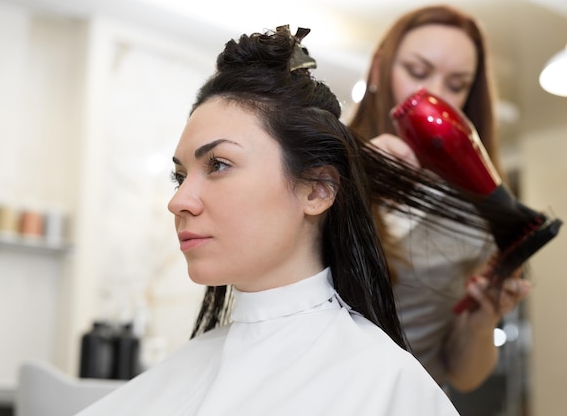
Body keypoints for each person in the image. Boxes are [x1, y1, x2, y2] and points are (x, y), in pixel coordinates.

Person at [74, 25, 473, 415]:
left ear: (317, 190)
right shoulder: (189, 365)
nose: (179, 201)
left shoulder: (386, 383)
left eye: (218, 164)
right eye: (181, 176)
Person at [347, 5, 531, 392]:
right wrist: (353, 180)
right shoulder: (327, 160)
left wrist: (480, 326)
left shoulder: (479, 211)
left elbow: (464, 375)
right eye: (417, 72)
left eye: (457, 83)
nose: (433, 95)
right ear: (379, 70)